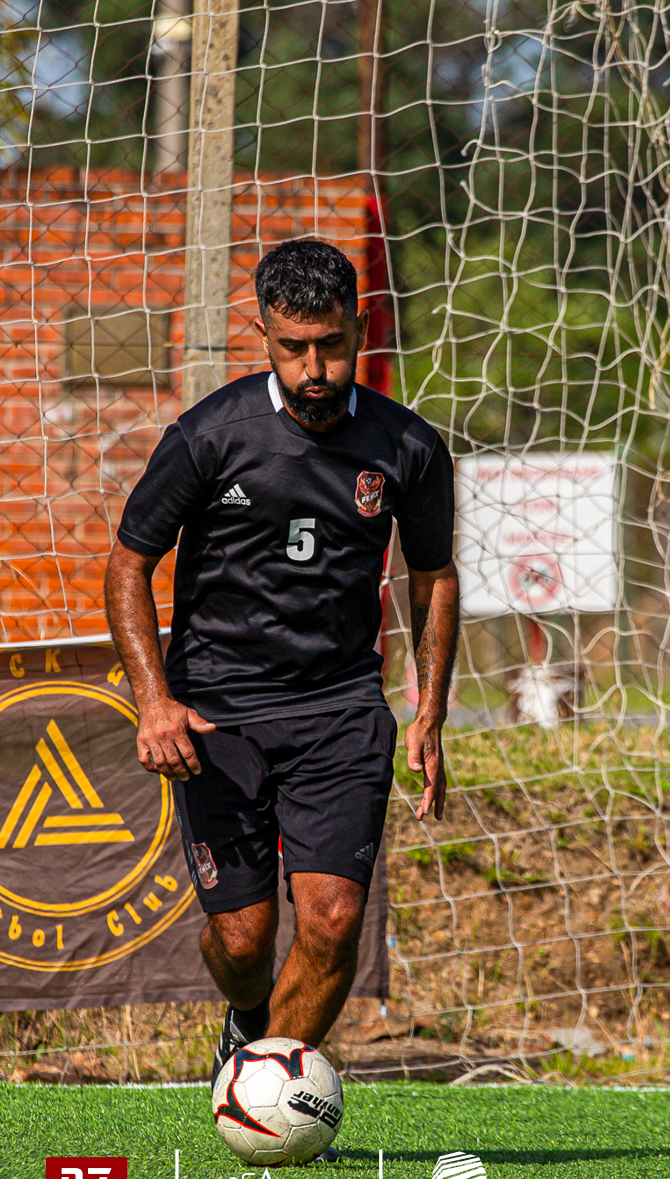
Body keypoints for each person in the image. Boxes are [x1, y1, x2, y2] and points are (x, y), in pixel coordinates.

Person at [105, 237, 458, 1111]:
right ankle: (247, 1022)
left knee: (333, 921)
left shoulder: (409, 447)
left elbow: (433, 574)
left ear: (359, 330)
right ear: (261, 333)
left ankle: (264, 1098)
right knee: (244, 940)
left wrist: (428, 712)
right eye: (293, 347)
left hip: (341, 709)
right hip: (218, 715)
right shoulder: (209, 437)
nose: (314, 369)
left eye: (330, 346)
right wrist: (154, 702)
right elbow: (127, 565)